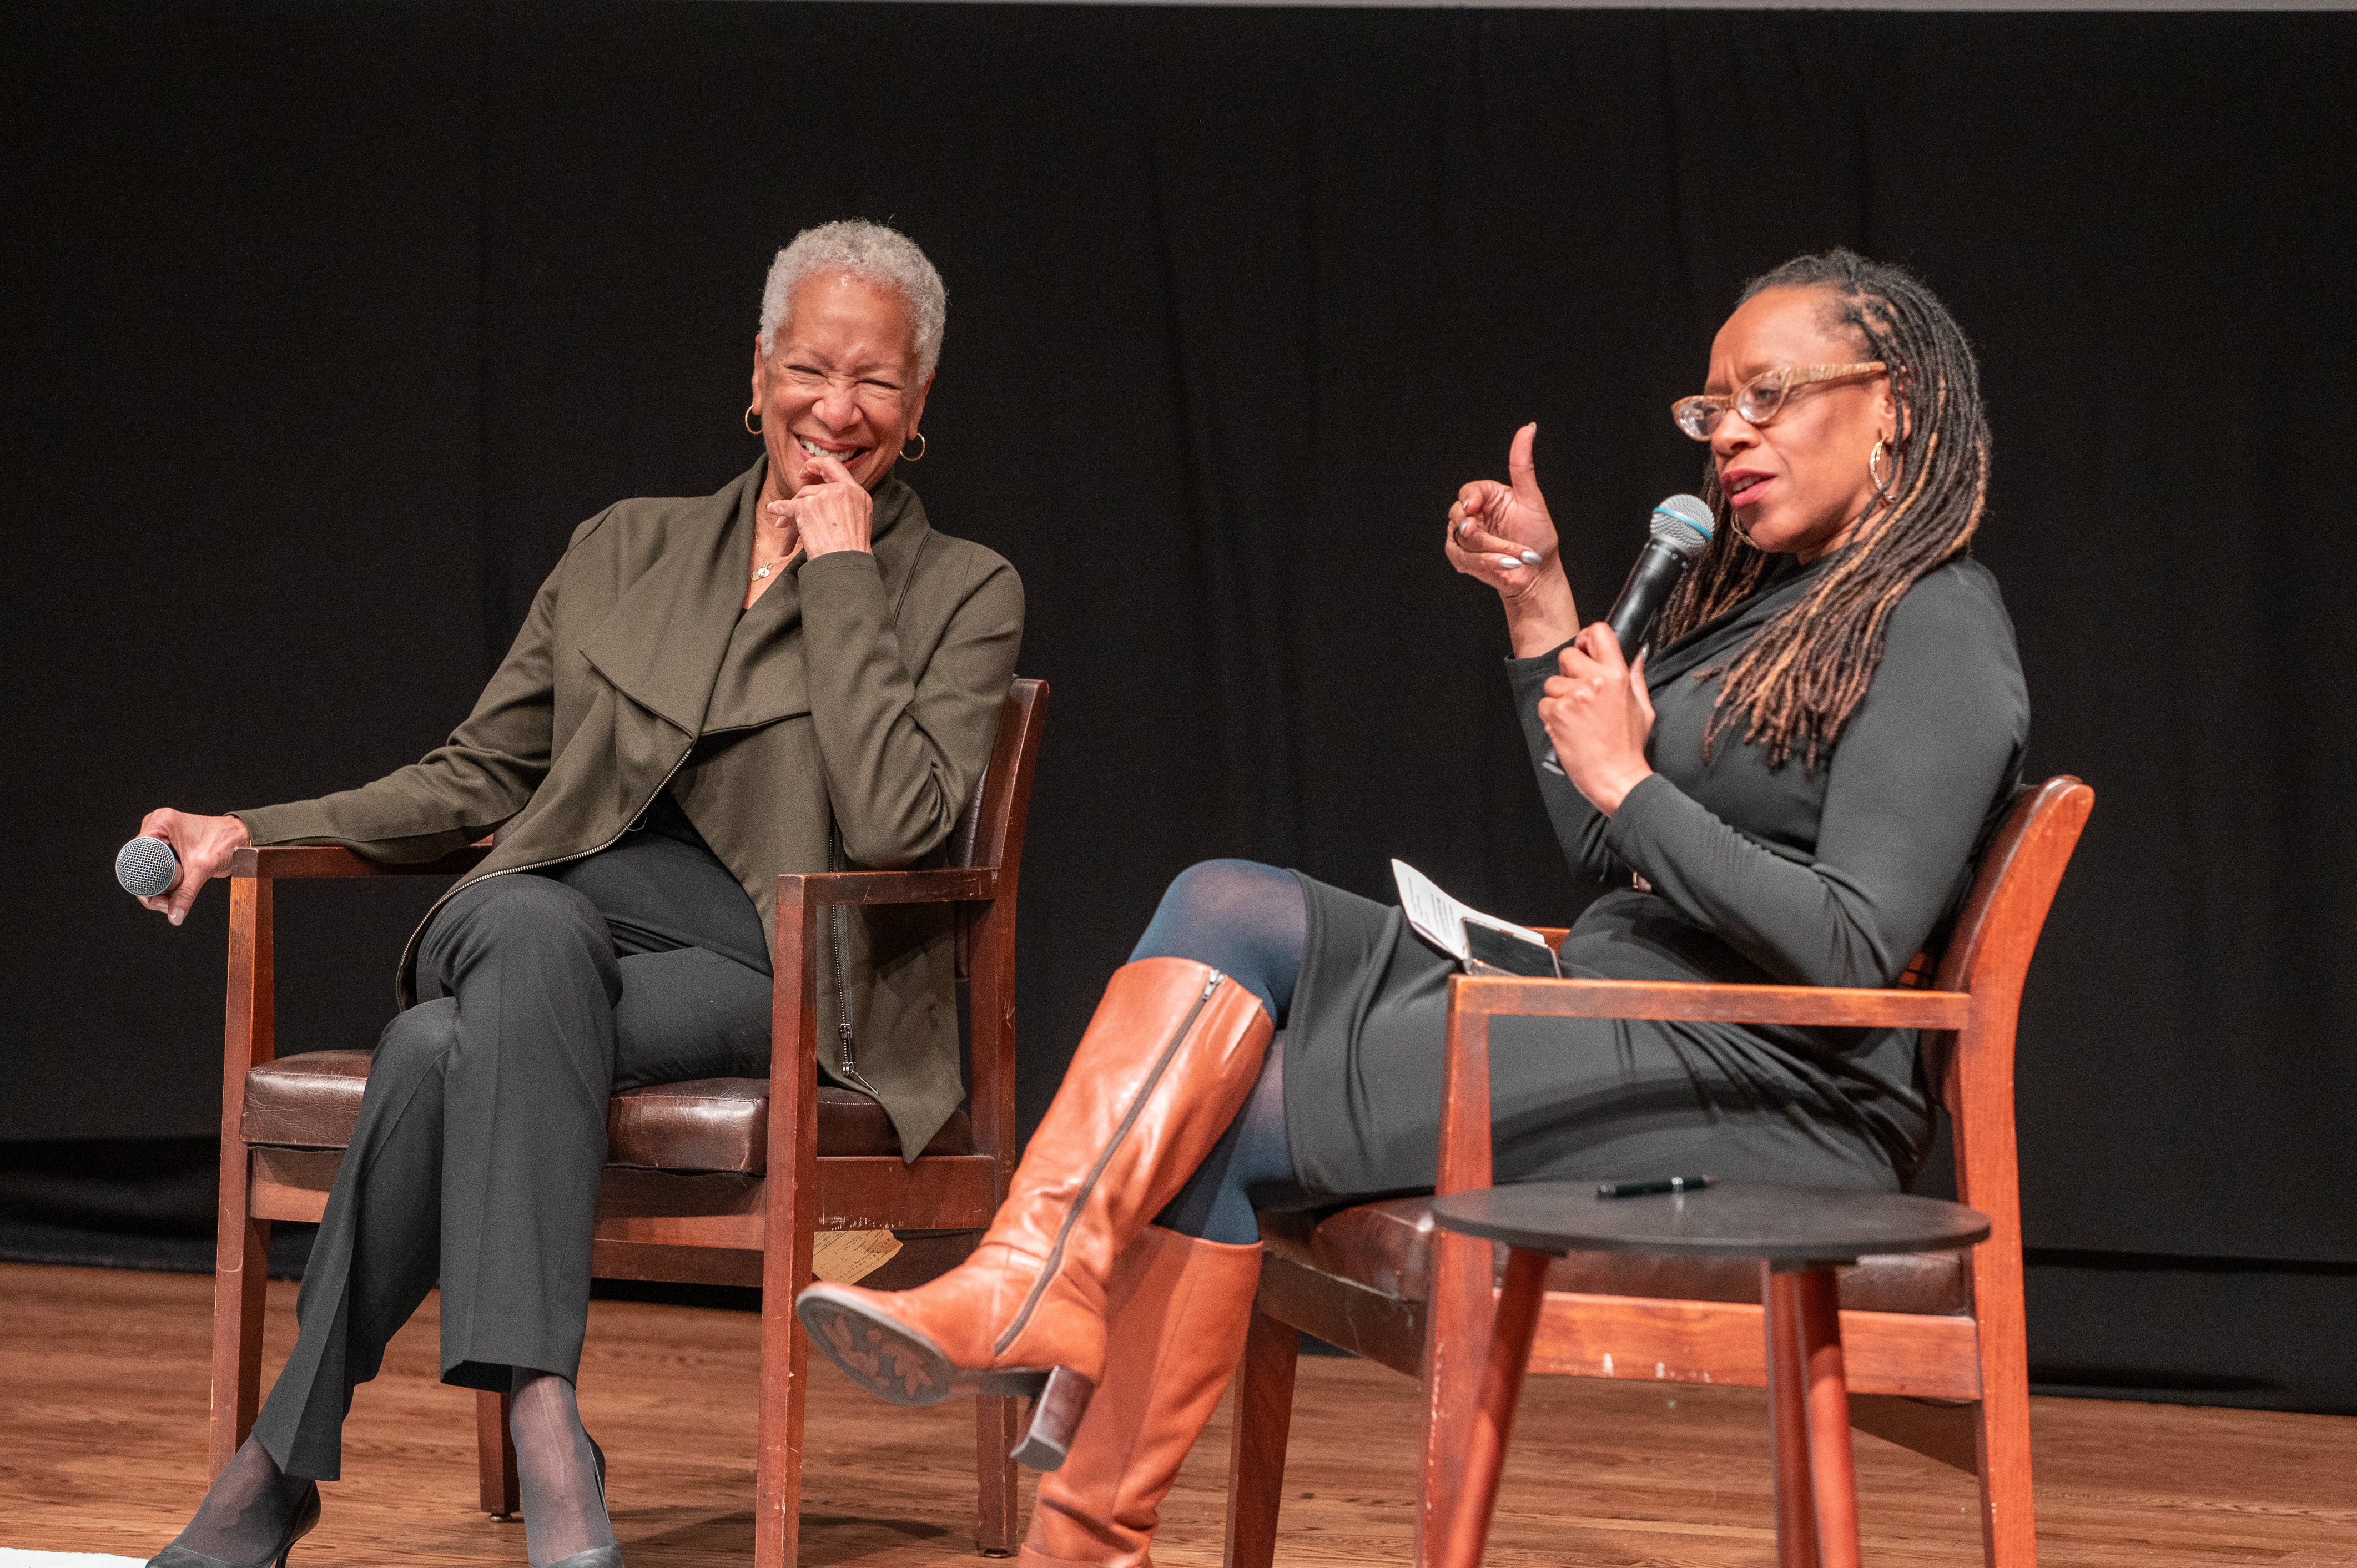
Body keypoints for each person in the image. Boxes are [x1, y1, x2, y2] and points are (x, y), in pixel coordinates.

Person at [797, 248, 2028, 1567]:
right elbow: (1607, 861)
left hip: (1771, 1086)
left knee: (1225, 1107)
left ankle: (1067, 1481)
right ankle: (1027, 1295)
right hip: (1620, 1009)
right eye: (1711, 407)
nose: (1728, 432)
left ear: (1893, 401)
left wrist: (1628, 776)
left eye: (1767, 396)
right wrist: (1539, 606)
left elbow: (1845, 943)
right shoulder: (1762, 605)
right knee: (1228, 899)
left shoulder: (1936, 621)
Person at [135, 219, 1024, 1568]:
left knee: (443, 1044)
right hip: (557, 918)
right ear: (756, 372)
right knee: (531, 921)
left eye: (877, 382)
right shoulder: (624, 548)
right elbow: (476, 775)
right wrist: (245, 827)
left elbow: (905, 827)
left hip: (774, 965)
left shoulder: (962, 588)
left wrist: (843, 572)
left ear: (922, 402)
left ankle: (277, 1468)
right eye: (807, 369)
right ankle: (550, 1435)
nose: (836, 410)